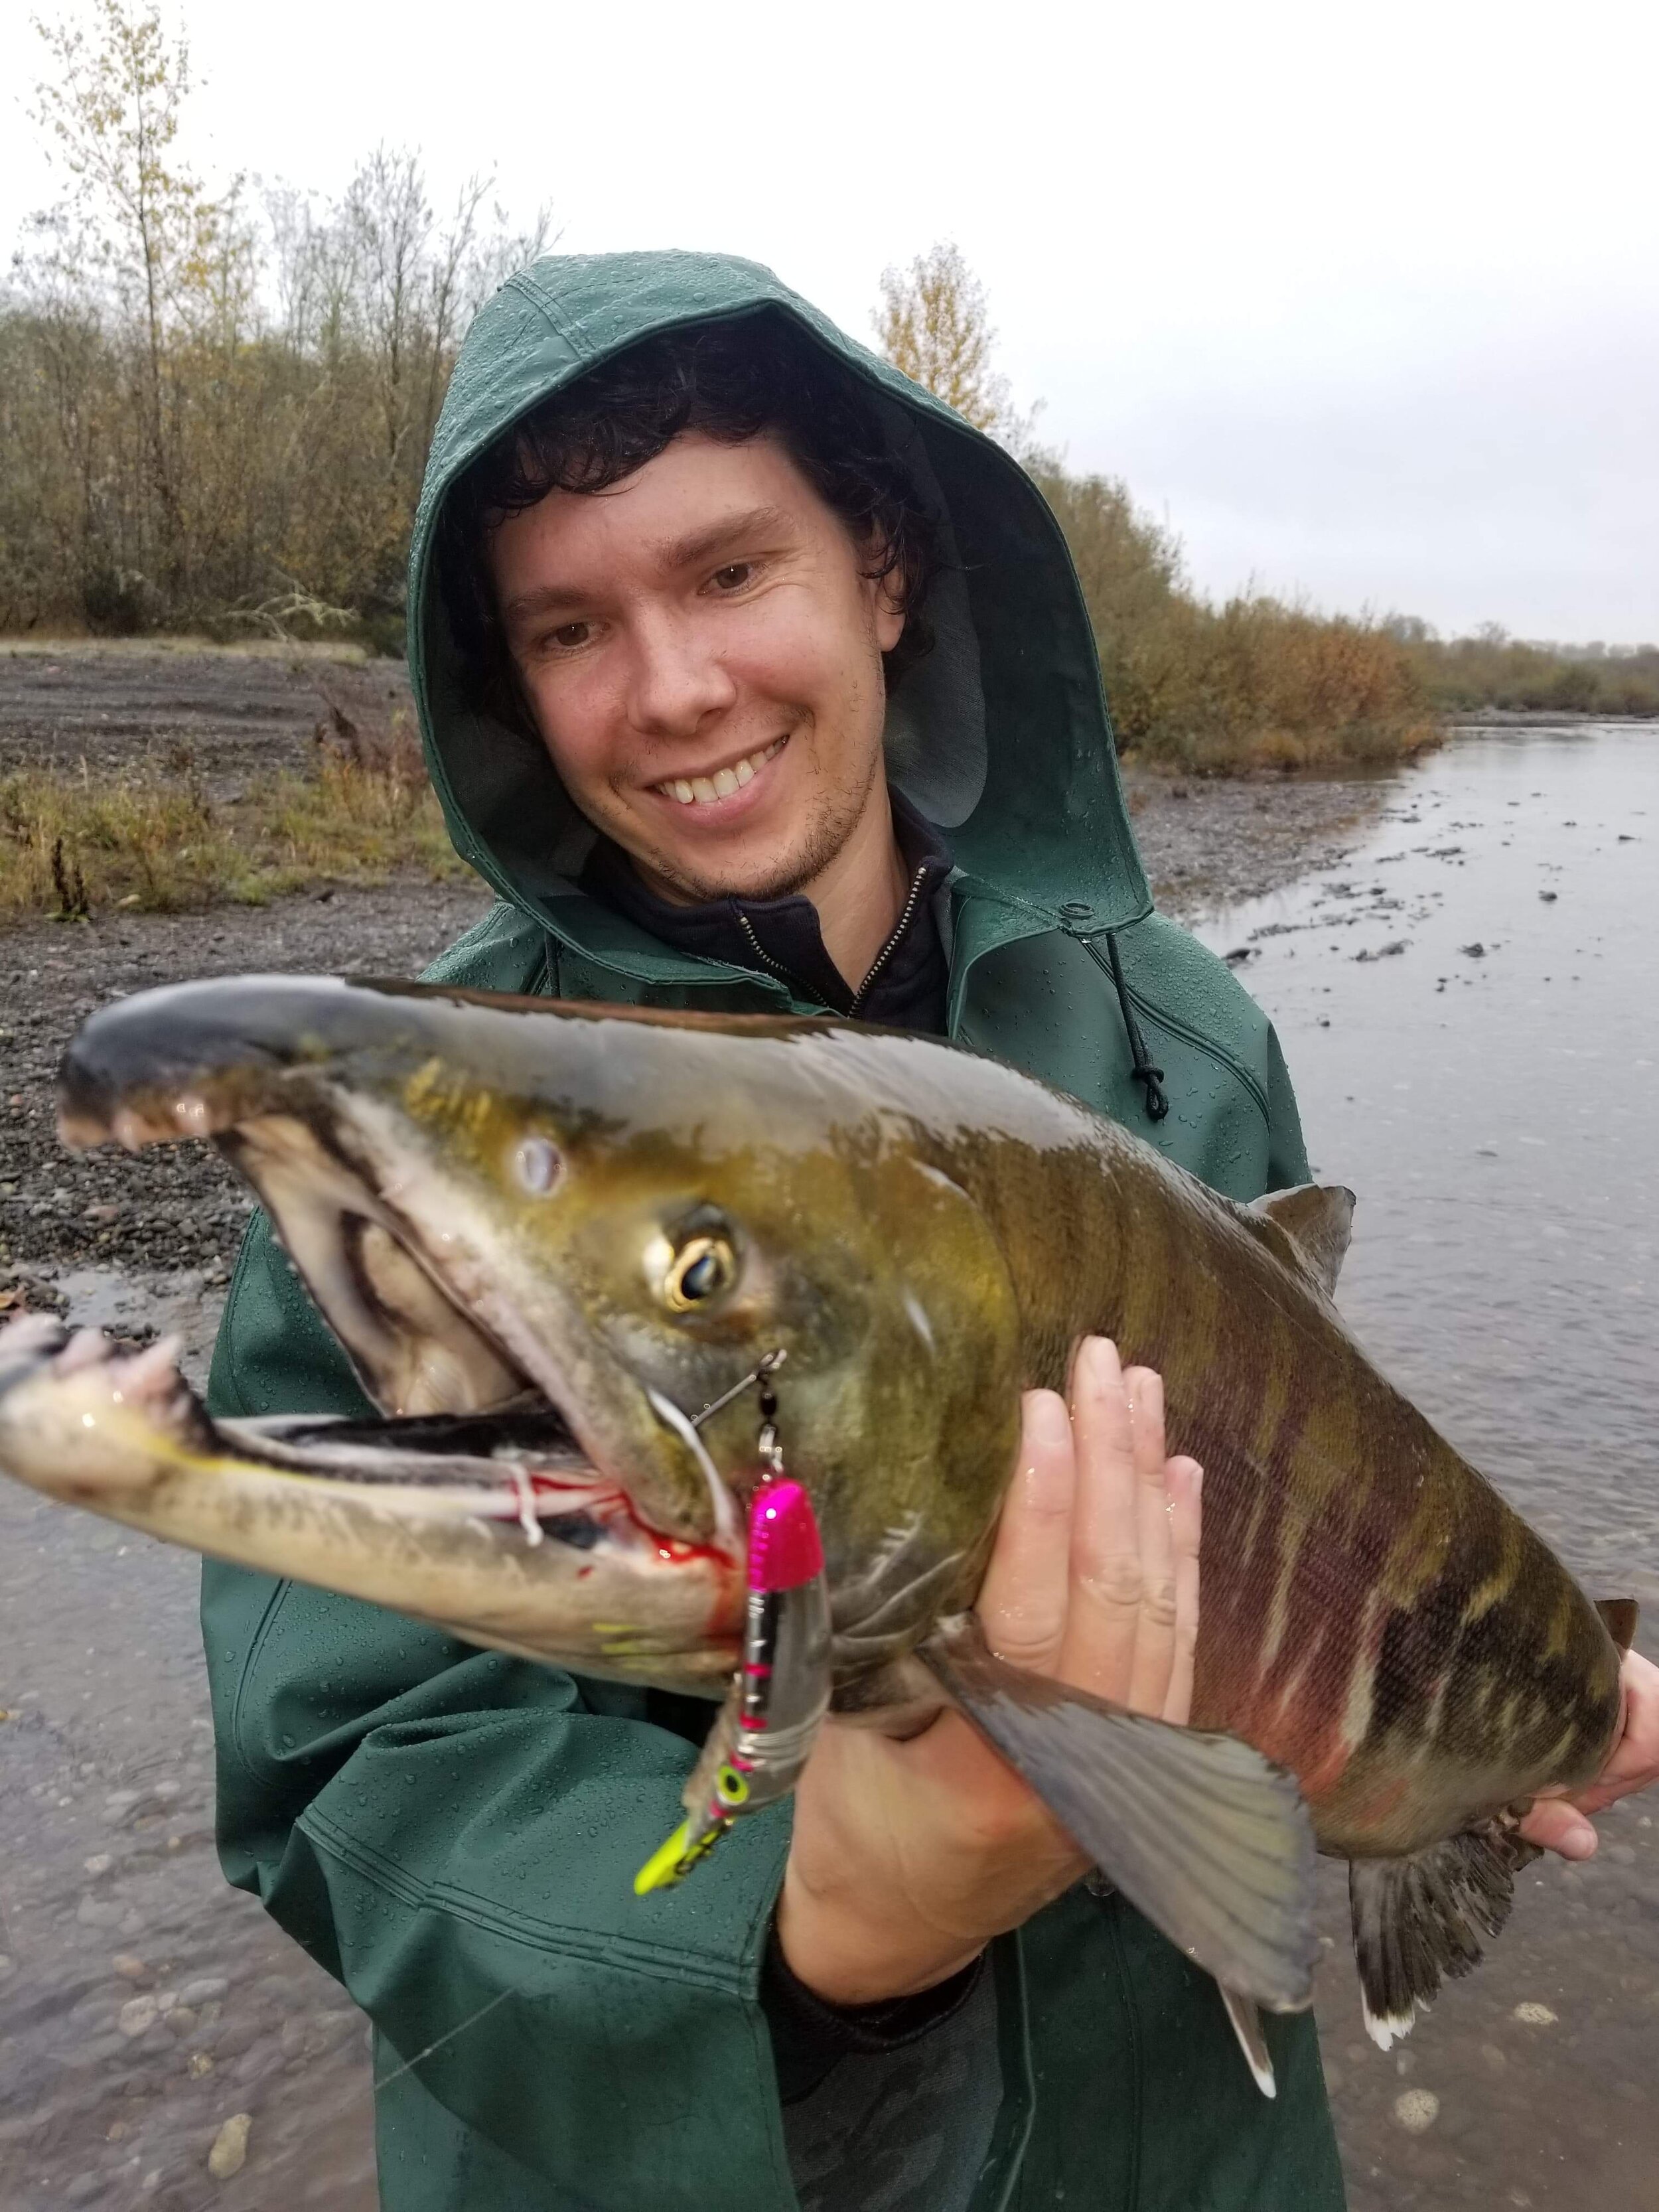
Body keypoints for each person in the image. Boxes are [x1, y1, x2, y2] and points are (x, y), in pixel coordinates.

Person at [202, 252, 1659, 2212]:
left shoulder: (1176, 1033)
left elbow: (1311, 1513)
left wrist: (1464, 1729)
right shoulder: (423, 1163)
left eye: (730, 573)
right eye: (569, 627)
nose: (675, 688)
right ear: (509, 690)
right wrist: (821, 1912)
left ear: (881, 570)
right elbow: (347, 1762)